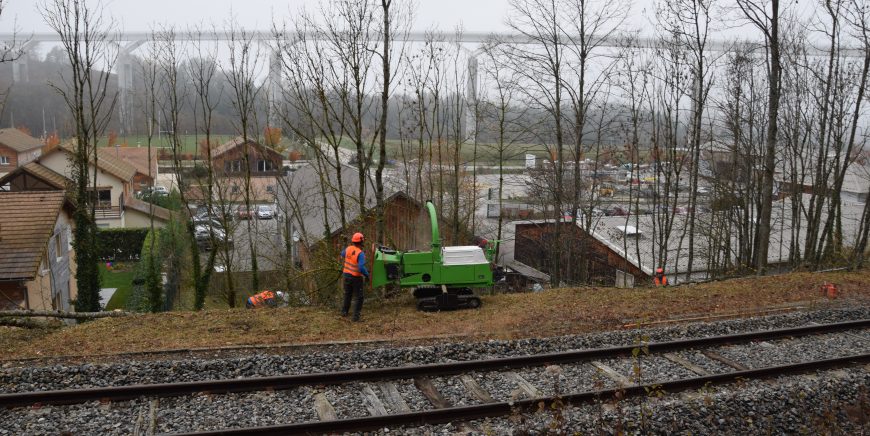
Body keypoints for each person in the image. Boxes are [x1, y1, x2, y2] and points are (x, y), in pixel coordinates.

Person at [341, 232, 369, 321]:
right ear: (361, 242)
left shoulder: (348, 248)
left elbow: (342, 254)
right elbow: (361, 268)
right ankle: (356, 317)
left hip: (346, 275)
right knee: (359, 297)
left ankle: (344, 312)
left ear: (353, 241)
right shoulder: (360, 253)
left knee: (347, 294)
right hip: (356, 278)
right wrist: (367, 275)